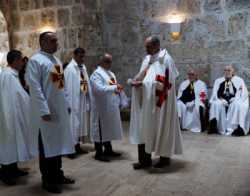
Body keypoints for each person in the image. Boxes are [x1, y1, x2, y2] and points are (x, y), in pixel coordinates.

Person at [26, 31, 75, 194]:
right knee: (47, 146)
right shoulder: (35, 61)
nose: (57, 43)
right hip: (46, 112)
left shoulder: (56, 60)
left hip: (59, 109)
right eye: (53, 41)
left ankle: (58, 175)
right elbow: (35, 87)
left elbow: (61, 85)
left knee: (58, 144)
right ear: (43, 42)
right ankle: (47, 180)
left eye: (56, 40)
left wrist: (66, 103)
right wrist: (43, 110)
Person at [128, 36, 183, 169]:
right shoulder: (148, 59)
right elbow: (144, 74)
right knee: (143, 128)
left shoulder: (166, 59)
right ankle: (144, 161)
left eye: (147, 46)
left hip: (161, 103)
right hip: (147, 101)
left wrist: (144, 84)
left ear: (156, 46)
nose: (145, 49)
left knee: (162, 127)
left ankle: (164, 158)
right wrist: (136, 81)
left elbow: (167, 83)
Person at [0, 50, 36, 185]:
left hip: (13, 115)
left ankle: (13, 169)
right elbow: (9, 99)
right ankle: (5, 174)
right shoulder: (8, 76)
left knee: (14, 144)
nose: (23, 63)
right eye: (21, 60)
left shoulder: (12, 75)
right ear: (15, 61)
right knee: (9, 145)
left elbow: (18, 95)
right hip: (8, 117)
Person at [90, 53, 125, 162]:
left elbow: (113, 88)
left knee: (108, 128)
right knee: (100, 129)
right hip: (101, 107)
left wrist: (119, 98)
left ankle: (108, 149)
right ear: (101, 62)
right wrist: (114, 88)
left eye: (110, 61)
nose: (109, 63)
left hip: (110, 106)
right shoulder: (96, 74)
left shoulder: (110, 74)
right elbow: (98, 89)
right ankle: (98, 152)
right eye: (107, 61)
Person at [64, 47, 91, 158]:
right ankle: (69, 149)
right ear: (74, 56)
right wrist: (67, 103)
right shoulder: (69, 69)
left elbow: (85, 82)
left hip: (81, 99)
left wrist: (87, 96)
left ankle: (77, 146)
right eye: (80, 56)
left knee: (79, 125)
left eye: (84, 56)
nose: (82, 59)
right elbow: (67, 88)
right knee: (72, 125)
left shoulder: (82, 67)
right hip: (73, 101)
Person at [209, 65, 249, 136]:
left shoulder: (239, 80)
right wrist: (221, 99)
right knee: (216, 104)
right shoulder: (218, 80)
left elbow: (242, 93)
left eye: (229, 70)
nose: (227, 72)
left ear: (233, 71)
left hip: (234, 100)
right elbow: (215, 93)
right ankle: (215, 127)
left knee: (237, 105)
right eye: (225, 70)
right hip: (222, 100)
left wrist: (235, 99)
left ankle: (236, 128)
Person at [177, 68, 208, 132]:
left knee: (198, 107)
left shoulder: (201, 84)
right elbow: (179, 96)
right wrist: (184, 102)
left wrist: (194, 102)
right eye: (189, 74)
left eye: (192, 74)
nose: (191, 76)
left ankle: (198, 127)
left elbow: (203, 96)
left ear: (196, 75)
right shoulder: (183, 84)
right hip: (184, 103)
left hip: (195, 102)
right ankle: (179, 126)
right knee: (178, 105)